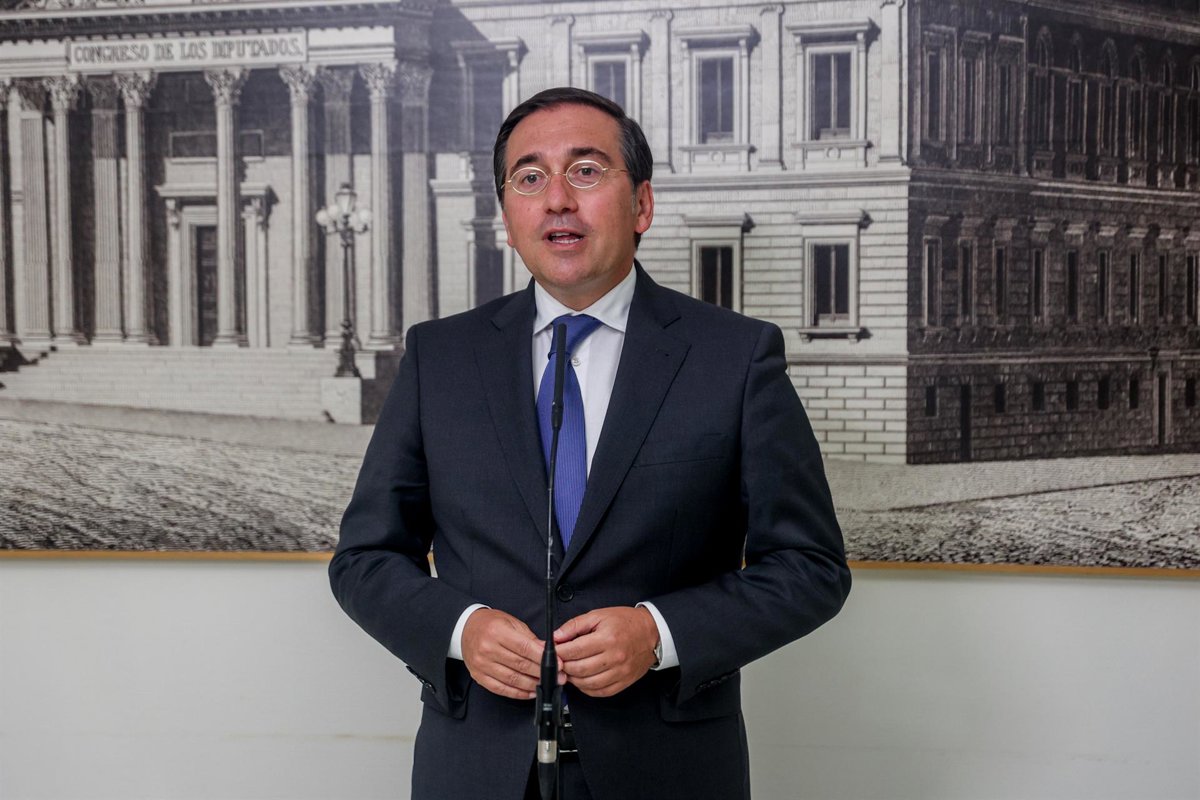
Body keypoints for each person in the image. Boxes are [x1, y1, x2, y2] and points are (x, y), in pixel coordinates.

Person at [329, 86, 851, 800]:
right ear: (507, 218)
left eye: (585, 171)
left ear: (641, 205)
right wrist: (460, 629)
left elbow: (810, 566)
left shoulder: (735, 358)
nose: (557, 200)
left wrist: (659, 633)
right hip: (474, 772)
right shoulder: (438, 359)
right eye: (529, 177)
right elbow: (364, 559)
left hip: (667, 774)